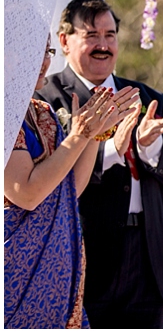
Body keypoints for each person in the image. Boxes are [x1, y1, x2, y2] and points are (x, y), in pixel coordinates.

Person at [38, 0, 163, 330]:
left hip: (149, 259)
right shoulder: (47, 100)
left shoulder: (148, 97)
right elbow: (55, 178)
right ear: (65, 40)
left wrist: (149, 146)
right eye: (91, 35)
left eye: (110, 35)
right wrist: (115, 149)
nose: (103, 45)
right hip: (89, 257)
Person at [5, 36, 138, 329]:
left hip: (56, 274)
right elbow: (25, 194)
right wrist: (78, 135)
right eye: (34, 50)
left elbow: (70, 189)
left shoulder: (42, 112)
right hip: (15, 273)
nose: (45, 62)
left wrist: (93, 134)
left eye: (47, 51)